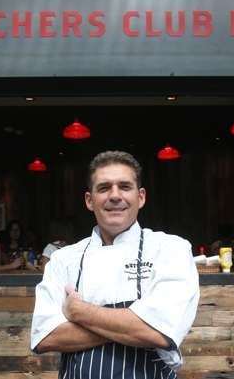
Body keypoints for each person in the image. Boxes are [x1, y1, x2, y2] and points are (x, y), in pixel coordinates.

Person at [30, 151, 199, 378]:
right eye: (104, 188)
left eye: (124, 186)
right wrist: (136, 325)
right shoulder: (63, 259)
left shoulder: (171, 250)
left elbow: (160, 333)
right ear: (90, 201)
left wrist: (78, 312)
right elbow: (45, 336)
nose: (115, 196)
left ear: (141, 197)